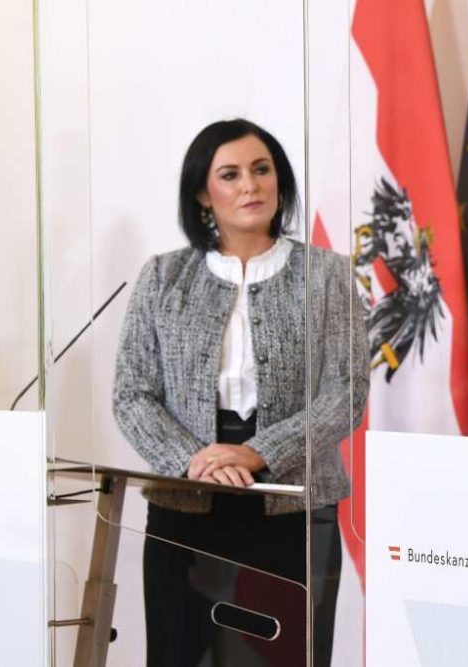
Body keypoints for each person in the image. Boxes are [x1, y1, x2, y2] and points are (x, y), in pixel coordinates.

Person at [113, 118, 369, 666]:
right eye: (230, 174)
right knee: (181, 654)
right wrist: (194, 458)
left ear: (280, 182)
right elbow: (132, 393)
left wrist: (260, 453)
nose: (251, 185)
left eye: (261, 170)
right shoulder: (163, 277)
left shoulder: (326, 275)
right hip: (187, 501)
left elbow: (347, 390)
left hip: (293, 507)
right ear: (204, 194)